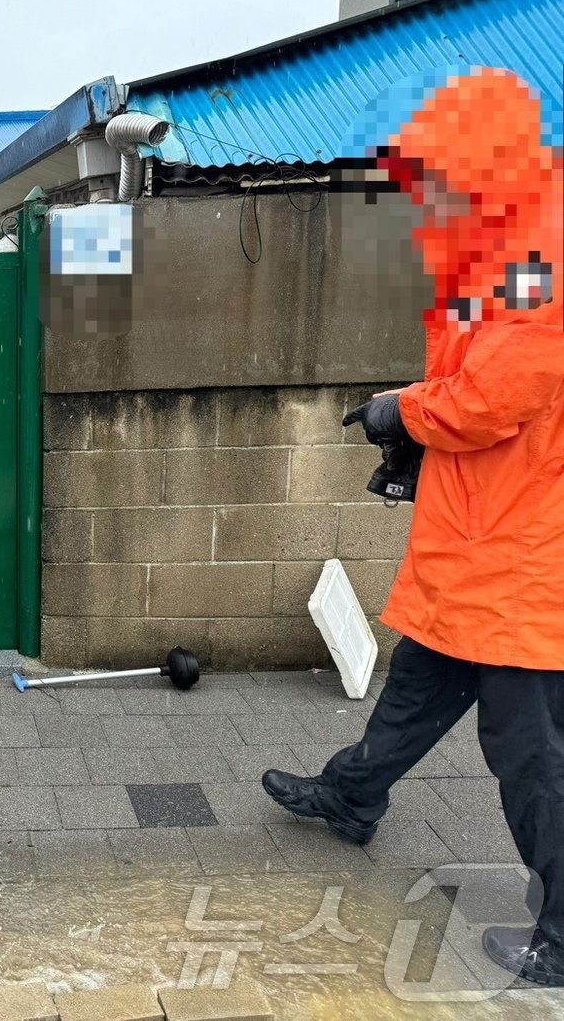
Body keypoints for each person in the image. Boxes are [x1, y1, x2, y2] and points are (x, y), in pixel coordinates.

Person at [261, 67, 564, 986]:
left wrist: (402, 414)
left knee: (530, 755)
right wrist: (417, 437)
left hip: (521, 557)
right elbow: (469, 386)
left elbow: (489, 399)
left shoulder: (537, 259)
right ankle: (353, 798)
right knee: (416, 688)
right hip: (475, 539)